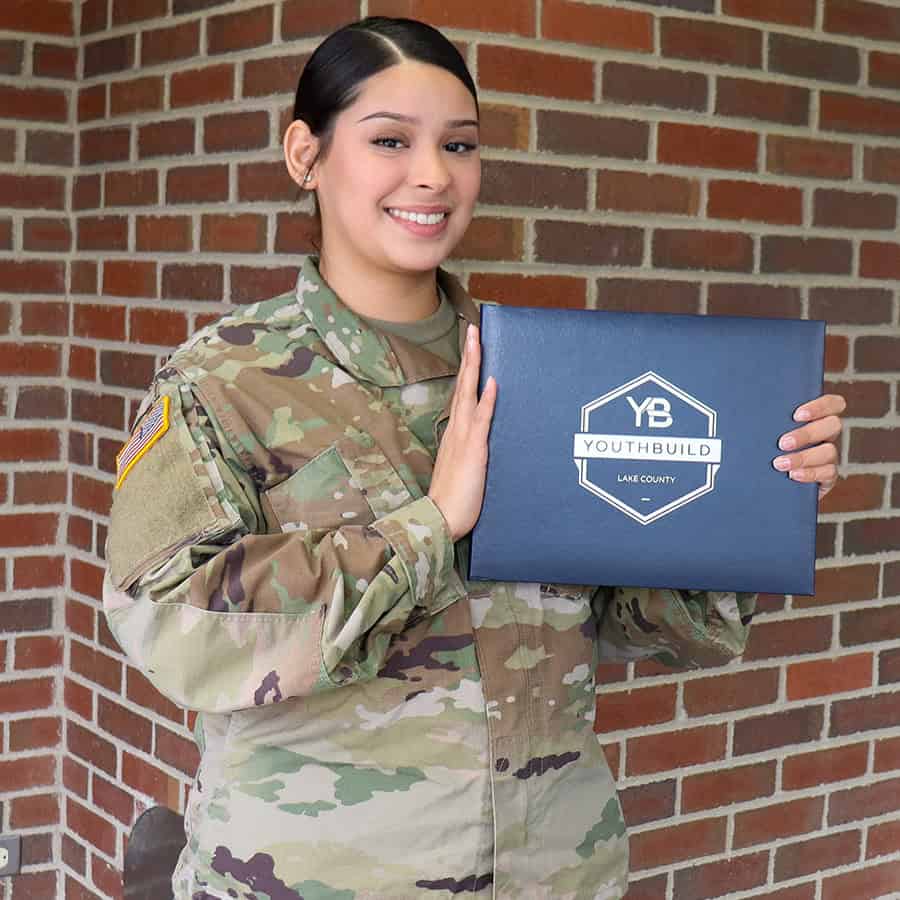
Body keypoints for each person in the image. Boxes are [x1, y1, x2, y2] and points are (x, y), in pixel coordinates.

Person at [102, 17, 846, 900]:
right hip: (321, 879)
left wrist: (752, 501)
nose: (433, 175)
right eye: (390, 140)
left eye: (460, 144)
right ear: (306, 153)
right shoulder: (224, 379)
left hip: (554, 869)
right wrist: (431, 529)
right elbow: (169, 625)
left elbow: (638, 620)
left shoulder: (544, 368)